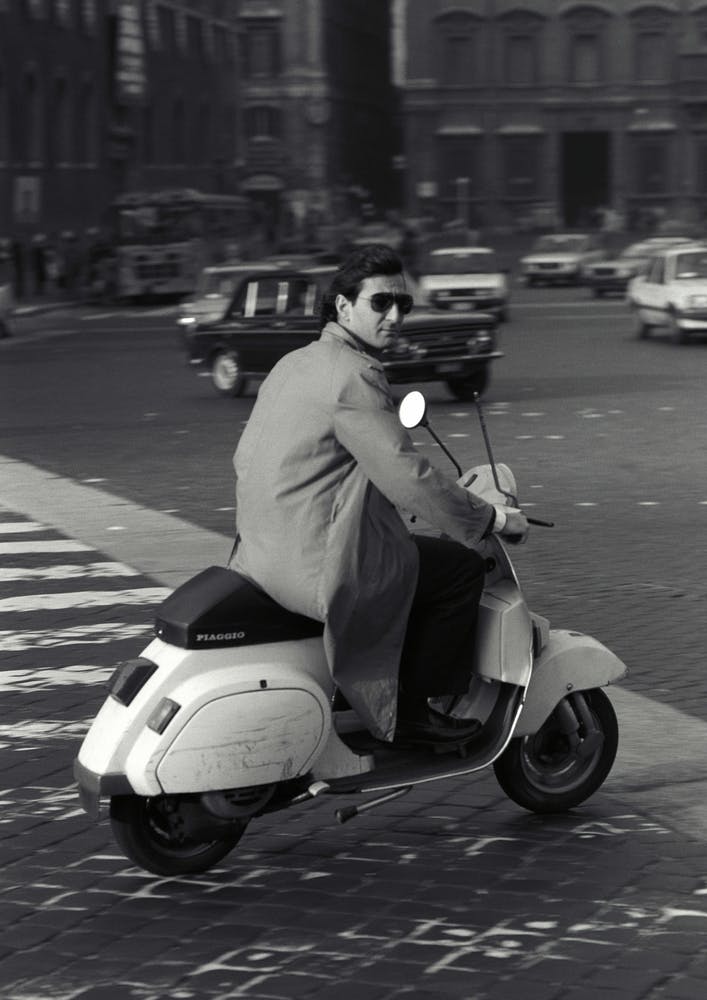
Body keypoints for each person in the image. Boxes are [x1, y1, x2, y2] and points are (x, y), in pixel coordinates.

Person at [230, 243, 528, 746]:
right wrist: (491, 519)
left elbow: (271, 460)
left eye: (403, 304)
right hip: (316, 564)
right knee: (459, 569)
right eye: (380, 303)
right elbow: (406, 474)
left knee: (411, 556)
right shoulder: (354, 375)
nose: (395, 316)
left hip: (260, 552)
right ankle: (415, 712)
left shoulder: (295, 363)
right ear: (343, 306)